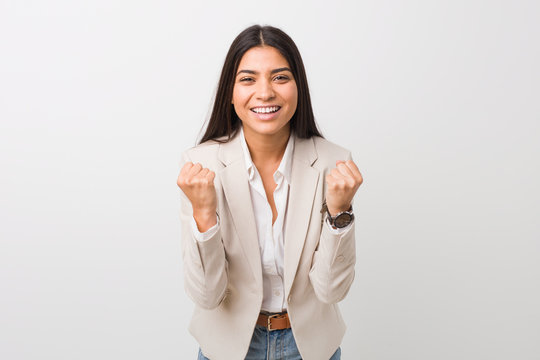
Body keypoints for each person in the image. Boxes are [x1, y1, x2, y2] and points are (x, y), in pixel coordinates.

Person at [177, 24, 363, 360]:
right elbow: (207, 296)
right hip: (230, 347)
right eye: (248, 79)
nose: (265, 93)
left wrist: (340, 215)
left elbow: (331, 289)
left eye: (280, 77)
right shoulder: (200, 166)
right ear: (230, 93)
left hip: (309, 347)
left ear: (298, 87)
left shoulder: (334, 164)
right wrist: (204, 216)